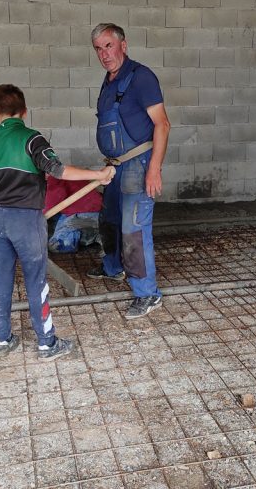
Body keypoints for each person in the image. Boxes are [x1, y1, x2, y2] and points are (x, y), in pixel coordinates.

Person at [0, 84, 115, 360]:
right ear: (24, 112)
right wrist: (99, 175)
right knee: (35, 279)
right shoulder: (32, 139)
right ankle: (46, 343)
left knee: (1, 278)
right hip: (26, 220)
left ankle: (2, 340)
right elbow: (58, 170)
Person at [87, 23, 171, 319]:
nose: (104, 54)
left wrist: (154, 169)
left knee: (133, 228)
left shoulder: (141, 77)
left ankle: (147, 293)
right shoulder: (109, 81)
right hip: (115, 165)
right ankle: (113, 267)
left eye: (108, 46)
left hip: (138, 164)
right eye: (98, 48)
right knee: (109, 219)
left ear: (123, 45)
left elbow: (163, 124)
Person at [44, 175, 102, 253]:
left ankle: (90, 235)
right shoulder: (70, 173)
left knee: (54, 245)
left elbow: (53, 201)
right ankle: (93, 234)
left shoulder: (54, 177)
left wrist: (38, 217)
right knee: (55, 220)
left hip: (81, 215)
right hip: (97, 212)